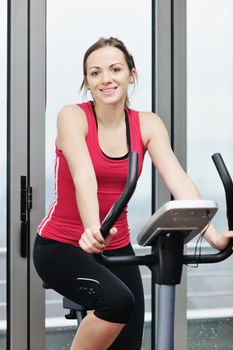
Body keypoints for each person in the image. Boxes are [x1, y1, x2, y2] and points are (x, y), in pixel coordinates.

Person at [33, 37, 233, 350]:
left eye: (115, 69)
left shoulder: (147, 124)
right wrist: (90, 229)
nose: (106, 78)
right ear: (86, 81)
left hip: (117, 246)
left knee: (128, 339)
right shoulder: (72, 116)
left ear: (131, 74)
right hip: (61, 245)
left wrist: (214, 236)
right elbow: (84, 176)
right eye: (95, 73)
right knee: (117, 303)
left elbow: (178, 181)